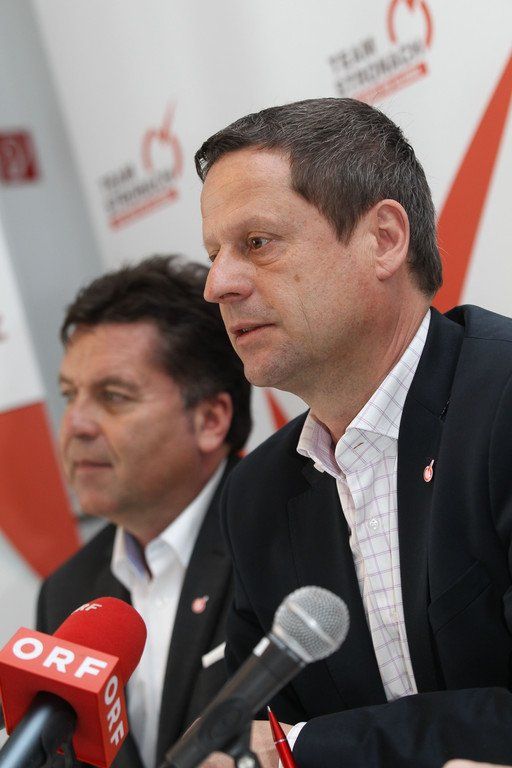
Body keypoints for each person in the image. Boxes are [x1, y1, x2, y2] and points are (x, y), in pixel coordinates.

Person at [193, 98, 512, 767]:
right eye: (214, 254)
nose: (217, 284)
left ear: (384, 240)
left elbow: (282, 744)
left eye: (257, 243)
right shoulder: (257, 494)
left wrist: (305, 749)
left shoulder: (502, 400)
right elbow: (249, 733)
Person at [36, 255, 252, 768]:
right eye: (69, 396)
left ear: (210, 419)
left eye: (113, 396)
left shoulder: (281, 540)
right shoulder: (66, 593)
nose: (75, 425)